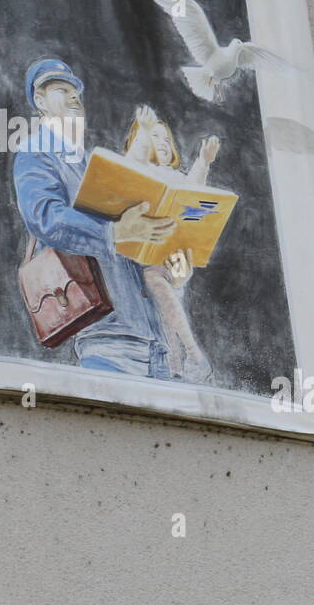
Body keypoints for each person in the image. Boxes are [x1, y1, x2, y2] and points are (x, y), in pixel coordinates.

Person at [12, 58, 176, 378]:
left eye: (76, 91)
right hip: (108, 340)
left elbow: (129, 235)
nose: (74, 97)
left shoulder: (91, 163)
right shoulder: (35, 152)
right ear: (40, 101)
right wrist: (112, 234)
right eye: (61, 90)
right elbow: (43, 216)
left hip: (154, 340)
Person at [123, 105, 220, 383]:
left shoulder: (174, 176)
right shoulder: (140, 170)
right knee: (162, 300)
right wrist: (143, 131)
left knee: (163, 289)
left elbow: (194, 190)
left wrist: (204, 160)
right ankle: (181, 364)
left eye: (167, 139)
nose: (164, 144)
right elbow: (131, 166)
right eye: (156, 138)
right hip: (144, 254)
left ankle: (189, 357)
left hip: (172, 256)